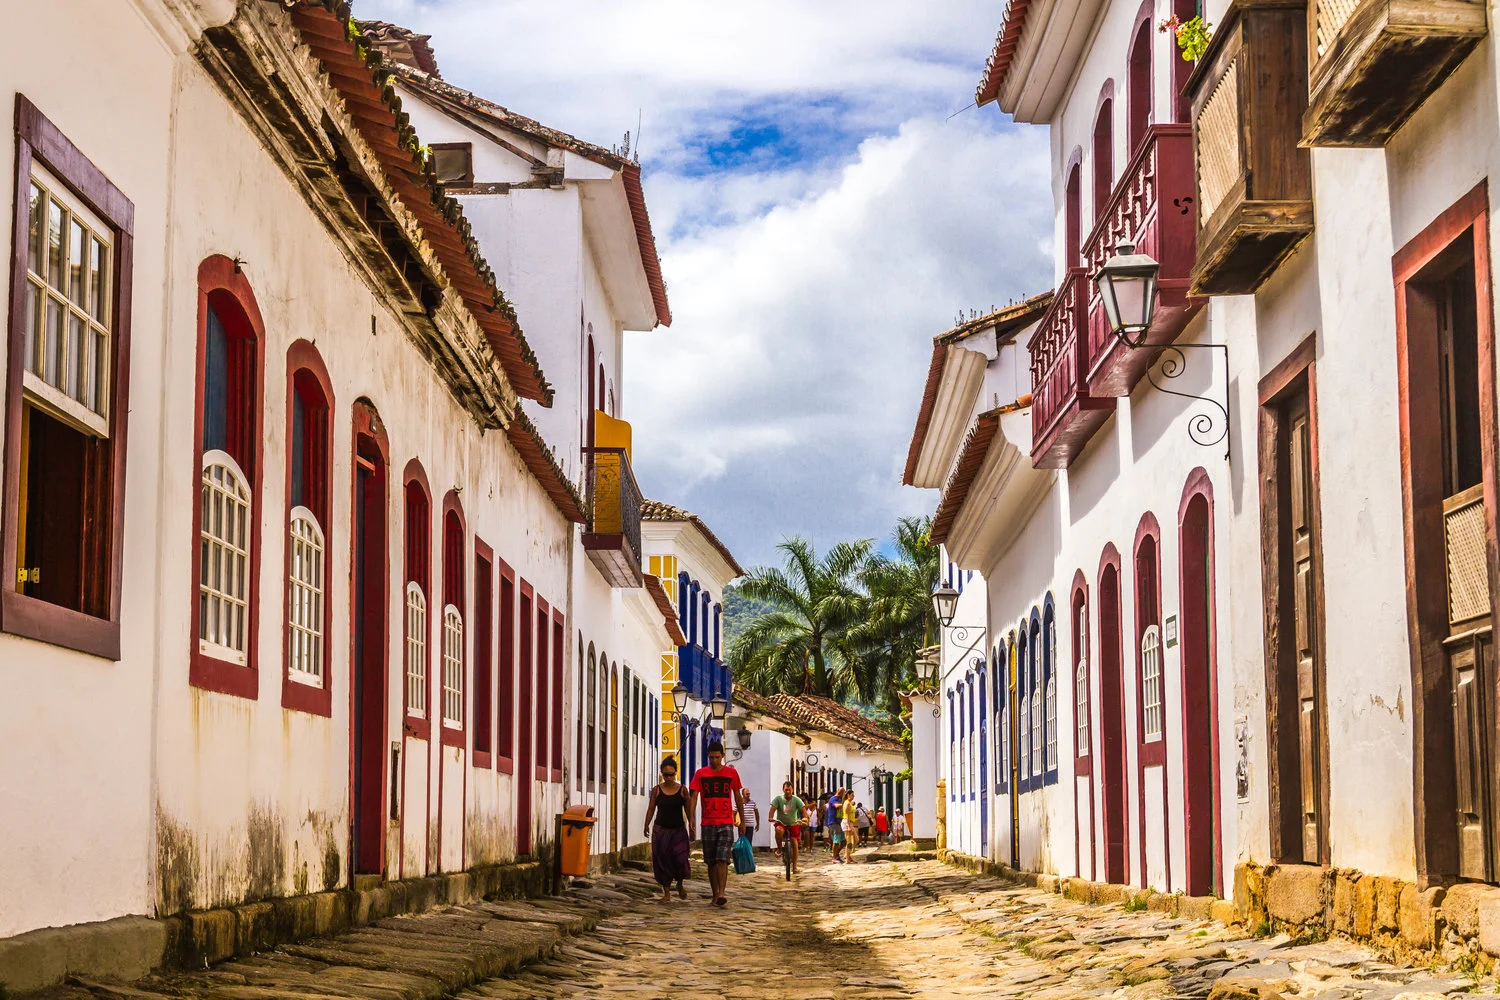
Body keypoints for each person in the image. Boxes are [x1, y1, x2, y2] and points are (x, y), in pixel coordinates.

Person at [688, 741, 743, 907]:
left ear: (723, 756)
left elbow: (738, 796)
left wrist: (742, 819)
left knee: (722, 858)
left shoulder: (731, 773)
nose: (714, 761)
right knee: (711, 861)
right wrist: (691, 817)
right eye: (711, 757)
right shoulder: (700, 774)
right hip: (708, 823)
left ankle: (721, 892)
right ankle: (715, 894)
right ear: (708, 756)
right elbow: (694, 796)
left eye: (717, 757)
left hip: (726, 822)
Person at [643, 757, 692, 903]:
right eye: (666, 775)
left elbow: (688, 809)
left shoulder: (683, 790)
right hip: (661, 830)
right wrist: (646, 824)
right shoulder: (657, 790)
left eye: (671, 775)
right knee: (662, 860)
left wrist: (692, 823)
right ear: (662, 774)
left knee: (680, 858)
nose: (669, 778)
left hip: (678, 830)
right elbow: (651, 808)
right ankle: (667, 893)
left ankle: (680, 883)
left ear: (676, 773)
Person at [769, 781, 805, 874]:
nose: (788, 791)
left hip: (793, 824)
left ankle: (795, 867)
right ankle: (779, 849)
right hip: (781, 823)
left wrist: (805, 819)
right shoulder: (778, 799)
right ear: (783, 790)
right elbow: (772, 809)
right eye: (786, 790)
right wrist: (771, 817)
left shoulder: (796, 800)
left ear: (792, 790)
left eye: (789, 790)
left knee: (795, 843)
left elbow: (803, 811)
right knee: (778, 830)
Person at [828, 791, 846, 863]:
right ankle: (834, 857)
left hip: (840, 822)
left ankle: (836, 854)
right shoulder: (833, 799)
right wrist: (844, 804)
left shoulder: (840, 799)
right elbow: (836, 806)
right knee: (836, 841)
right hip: (834, 822)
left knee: (844, 841)